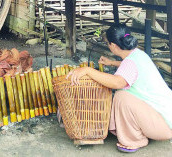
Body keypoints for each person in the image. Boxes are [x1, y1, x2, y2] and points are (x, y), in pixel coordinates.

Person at [66, 23, 172, 153]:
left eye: (108, 44)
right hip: (166, 116)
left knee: (121, 97)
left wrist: (88, 71)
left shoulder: (130, 63)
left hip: (164, 127)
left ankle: (135, 140)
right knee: (123, 96)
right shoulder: (138, 54)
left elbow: (117, 83)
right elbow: (128, 66)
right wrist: (111, 63)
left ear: (113, 46)